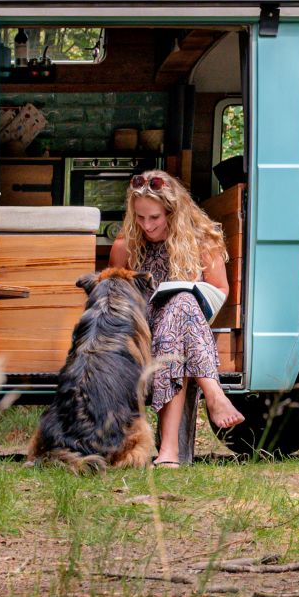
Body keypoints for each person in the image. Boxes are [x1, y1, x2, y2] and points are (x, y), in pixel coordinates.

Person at [107, 170, 244, 463]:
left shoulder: (201, 241)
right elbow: (114, 292)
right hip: (143, 328)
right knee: (176, 322)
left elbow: (220, 289)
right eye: (140, 217)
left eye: (154, 217)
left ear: (173, 211)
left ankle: (169, 451)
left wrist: (193, 301)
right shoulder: (126, 245)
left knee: (181, 307)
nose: (147, 225)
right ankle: (214, 395)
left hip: (184, 328)